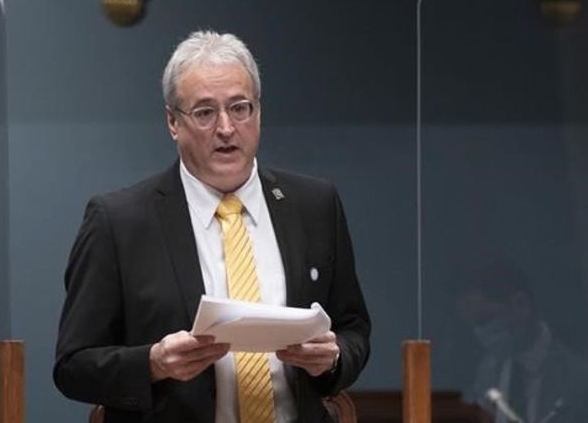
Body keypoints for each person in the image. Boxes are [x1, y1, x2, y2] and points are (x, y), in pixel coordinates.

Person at [53, 30, 371, 423]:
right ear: (173, 122)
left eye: (240, 108)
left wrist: (333, 358)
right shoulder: (119, 222)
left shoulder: (314, 205)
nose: (226, 128)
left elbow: (353, 329)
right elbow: (73, 366)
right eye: (204, 112)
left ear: (258, 112)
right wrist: (153, 363)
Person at [456, 260, 588, 423]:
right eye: (472, 325)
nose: (479, 333)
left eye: (485, 319)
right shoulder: (486, 370)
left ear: (520, 304)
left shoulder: (580, 379)